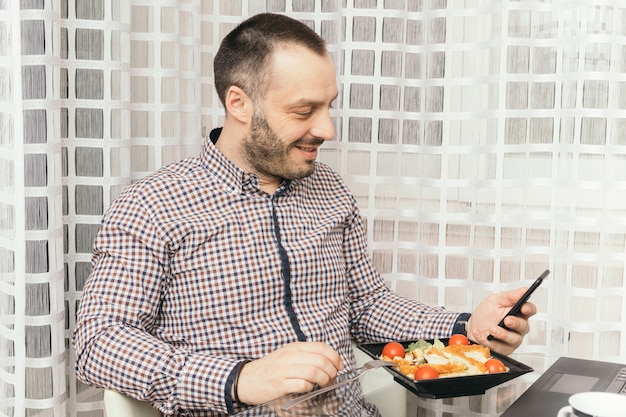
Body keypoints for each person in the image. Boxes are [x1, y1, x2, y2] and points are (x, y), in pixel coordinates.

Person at [73, 12, 536, 417]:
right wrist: (240, 379)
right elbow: (98, 342)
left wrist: (466, 328)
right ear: (239, 103)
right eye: (304, 110)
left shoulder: (330, 189)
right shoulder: (152, 205)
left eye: (328, 105)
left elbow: (367, 306)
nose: (326, 129)